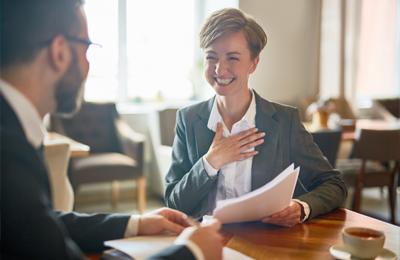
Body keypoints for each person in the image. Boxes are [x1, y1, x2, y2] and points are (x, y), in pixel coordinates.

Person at [0, 1, 223, 259]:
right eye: (87, 49)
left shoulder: (13, 131)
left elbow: (41, 225)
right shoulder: (8, 150)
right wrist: (192, 252)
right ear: (59, 52)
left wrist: (135, 223)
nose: (88, 65)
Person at [164, 8, 347, 227]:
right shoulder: (188, 119)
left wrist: (300, 207)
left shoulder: (284, 121)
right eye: (211, 57)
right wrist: (210, 162)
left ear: (253, 63)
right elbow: (174, 204)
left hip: (265, 243)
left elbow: (333, 184)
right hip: (206, 242)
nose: (220, 69)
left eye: (232, 58)